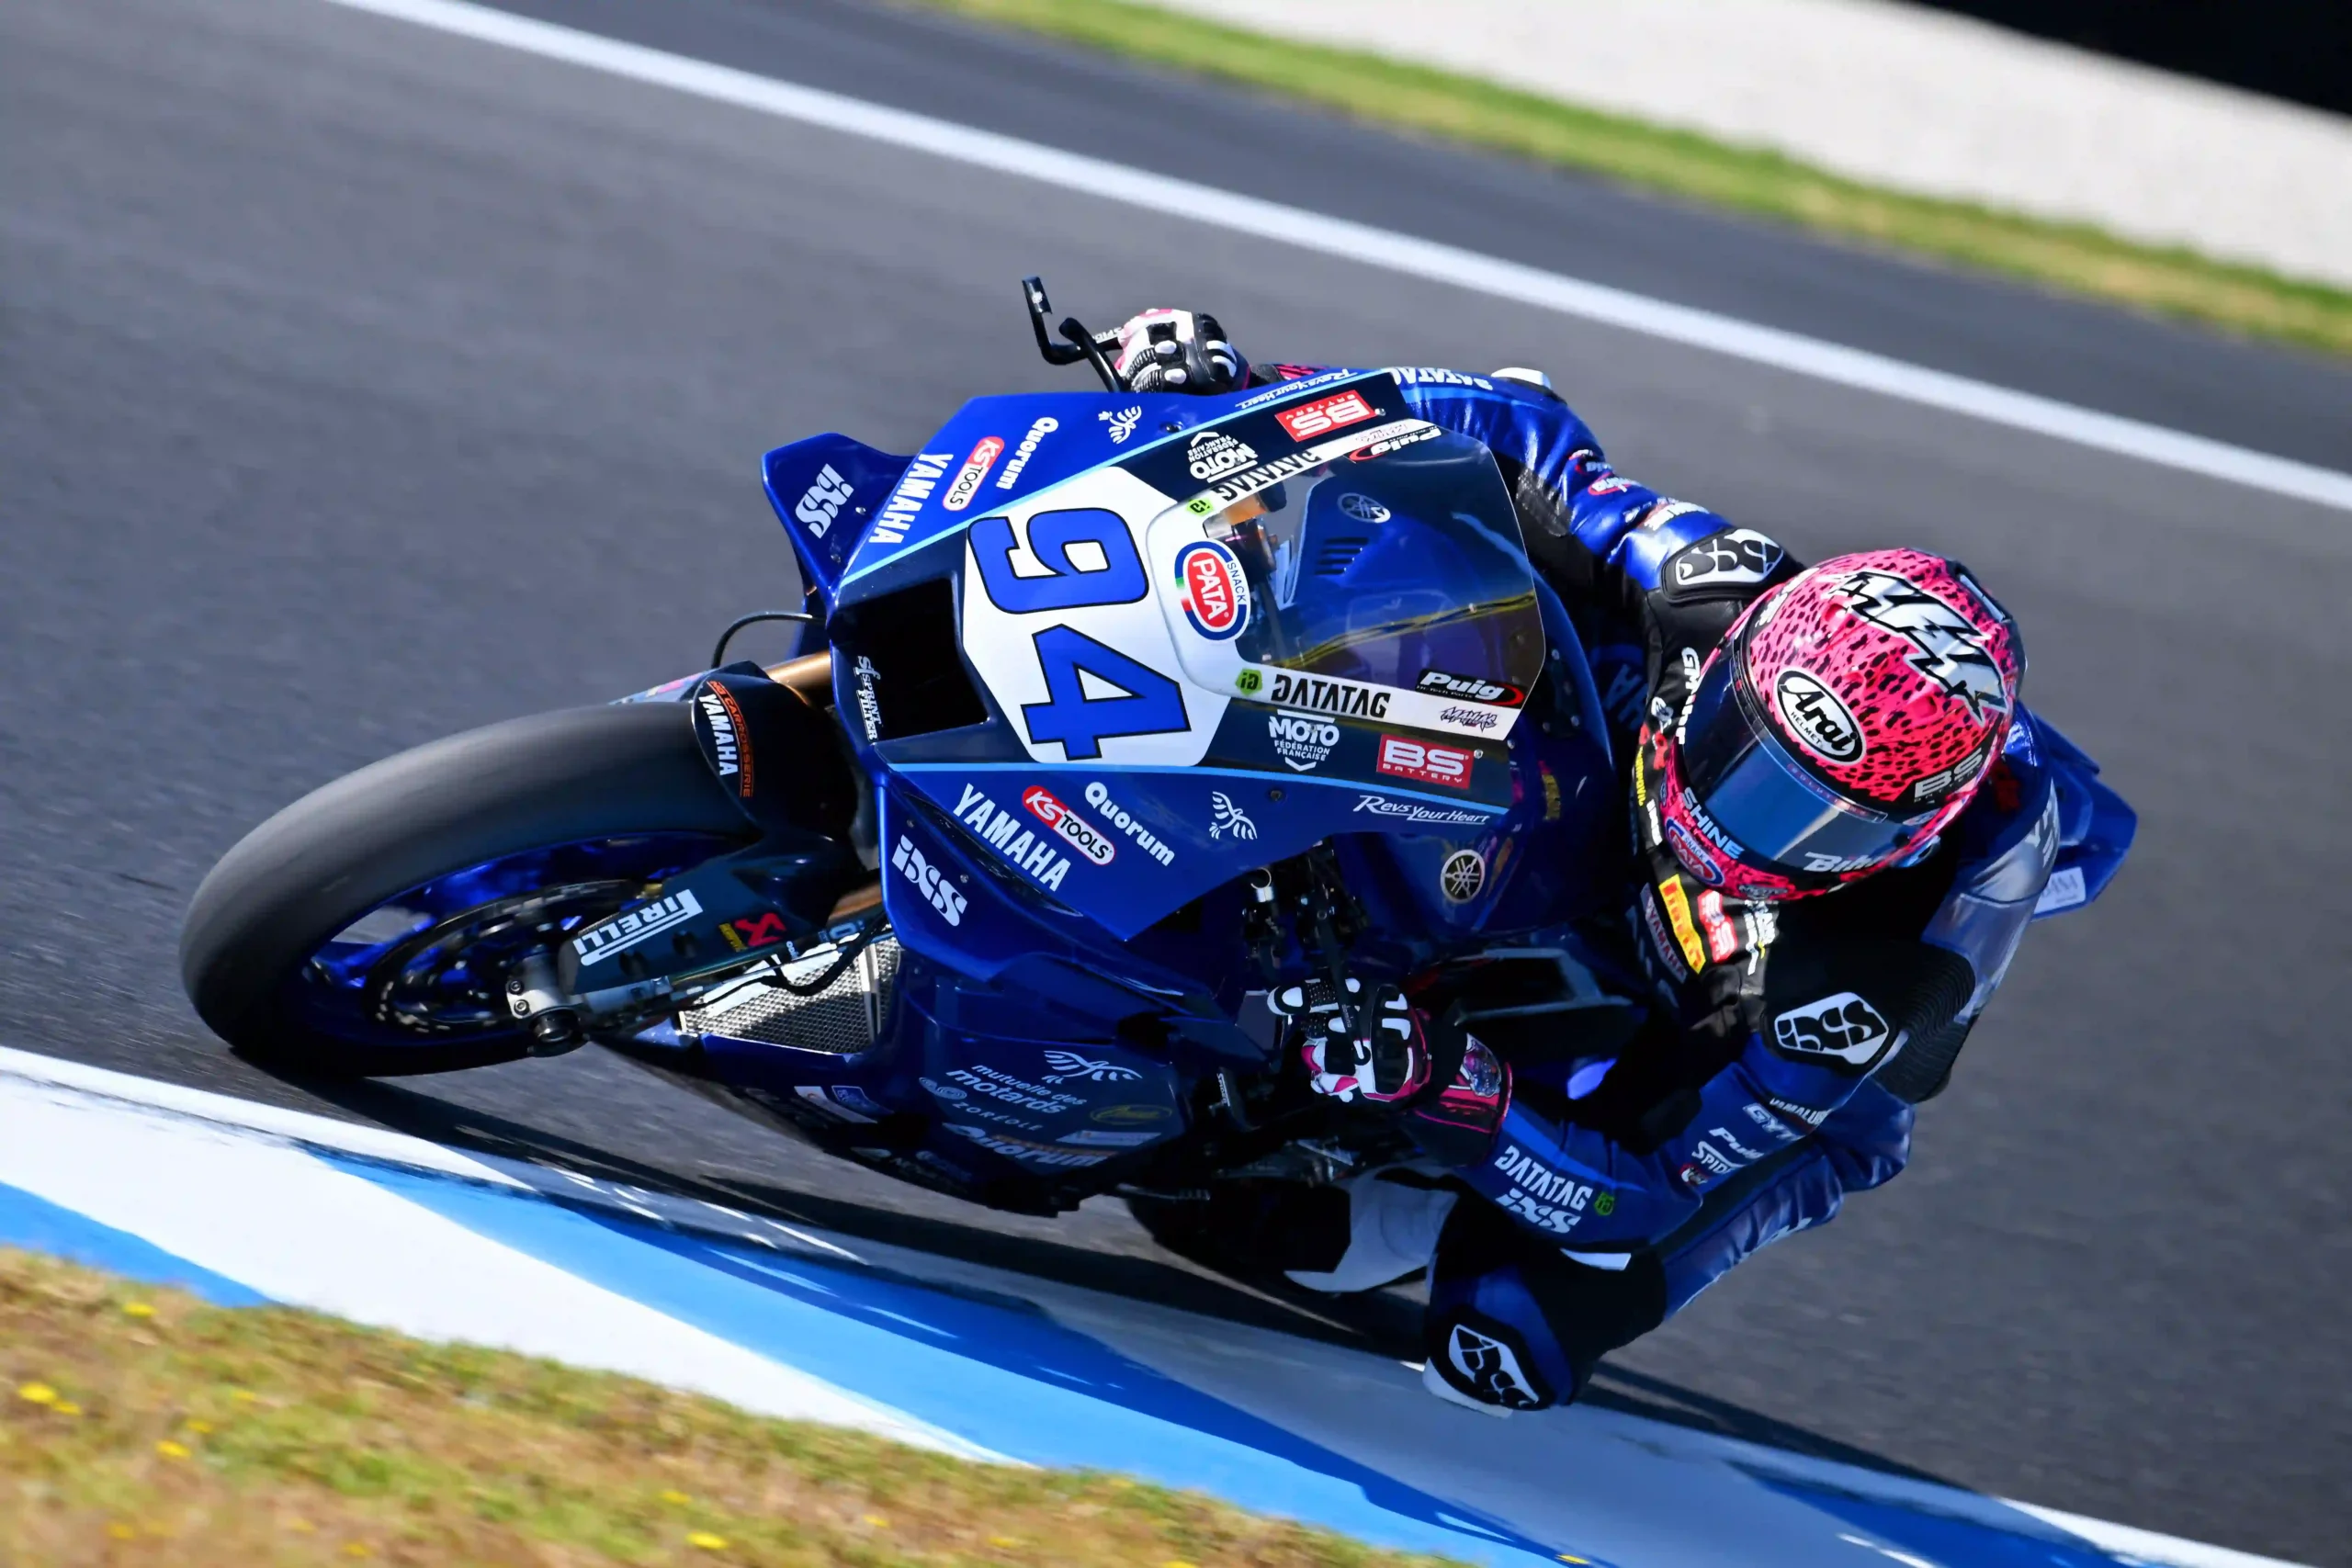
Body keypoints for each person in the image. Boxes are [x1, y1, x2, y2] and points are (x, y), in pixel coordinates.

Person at [1112, 307, 2106, 1414]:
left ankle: (1417, 1203)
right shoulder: (1714, 584)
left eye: (1811, 823)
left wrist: (1438, 1081)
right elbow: (1518, 430)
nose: (1735, 824)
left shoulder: (1858, 984)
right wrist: (1250, 389)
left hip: (1765, 1075)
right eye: (1739, 752)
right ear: (1738, 658)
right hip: (1596, 815)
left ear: (1898, 845)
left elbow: (1642, 1190)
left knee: (1504, 1338)